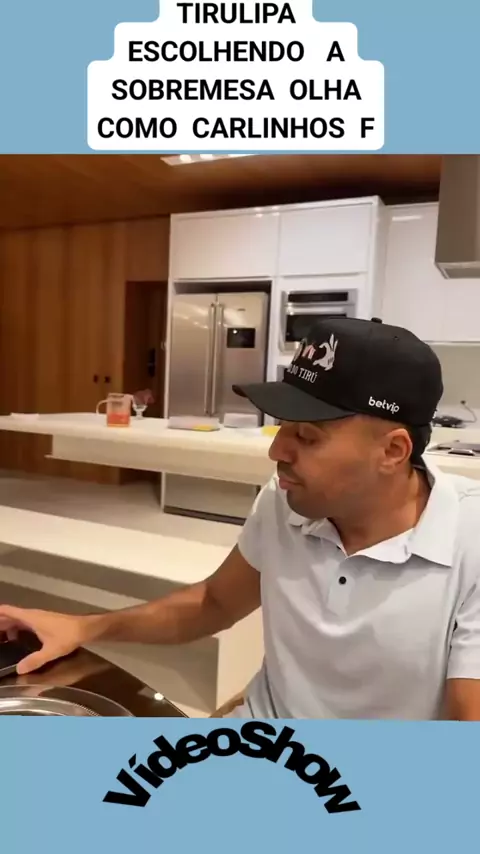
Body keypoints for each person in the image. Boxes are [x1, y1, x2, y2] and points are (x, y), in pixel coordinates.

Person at [1, 317, 480, 720]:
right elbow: (213, 602)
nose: (277, 451)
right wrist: (85, 627)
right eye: (281, 427)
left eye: (307, 437)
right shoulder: (286, 499)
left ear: (393, 451)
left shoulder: (468, 539)